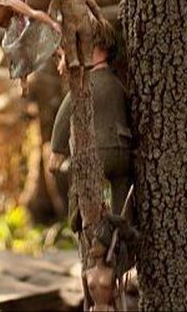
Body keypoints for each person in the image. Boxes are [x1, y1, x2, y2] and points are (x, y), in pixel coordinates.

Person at [49, 36, 133, 216]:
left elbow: (65, 113)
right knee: (122, 194)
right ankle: (122, 226)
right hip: (124, 151)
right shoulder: (118, 84)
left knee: (81, 184)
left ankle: (80, 218)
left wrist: (57, 151)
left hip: (98, 150)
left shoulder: (85, 85)